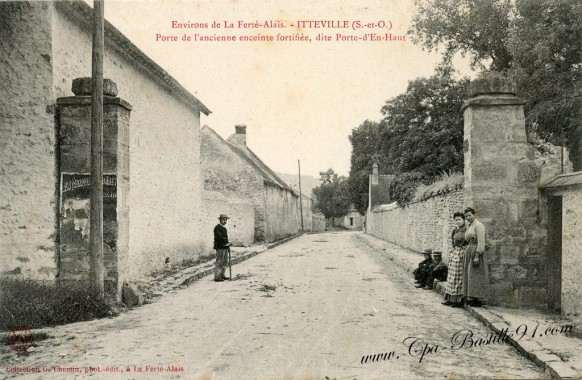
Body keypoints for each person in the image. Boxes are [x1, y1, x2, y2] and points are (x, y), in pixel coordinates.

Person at [462, 207, 490, 306]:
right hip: (470, 251)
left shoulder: (479, 225)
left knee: (476, 276)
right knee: (470, 275)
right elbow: (466, 238)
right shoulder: (470, 225)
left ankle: (477, 299)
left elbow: (481, 242)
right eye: (466, 216)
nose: (468, 217)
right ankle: (470, 296)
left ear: (474, 215)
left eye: (470, 215)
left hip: (476, 252)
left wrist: (477, 255)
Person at [442, 212, 468, 307]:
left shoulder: (466, 230)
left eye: (459, 220)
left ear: (464, 220)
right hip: (455, 252)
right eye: (456, 220)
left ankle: (458, 301)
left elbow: (467, 243)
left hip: (462, 253)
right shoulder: (455, 230)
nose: (458, 221)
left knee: (458, 276)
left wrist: (462, 252)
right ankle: (449, 298)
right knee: (451, 277)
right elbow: (453, 242)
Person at [213, 214, 231, 282]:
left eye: (225, 220)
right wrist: (227, 242)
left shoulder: (224, 228)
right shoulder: (217, 228)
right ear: (220, 220)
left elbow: (226, 238)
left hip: (225, 247)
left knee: (225, 262)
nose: (224, 221)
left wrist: (228, 245)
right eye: (223, 220)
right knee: (219, 261)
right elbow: (219, 238)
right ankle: (217, 277)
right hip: (220, 247)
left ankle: (222, 275)